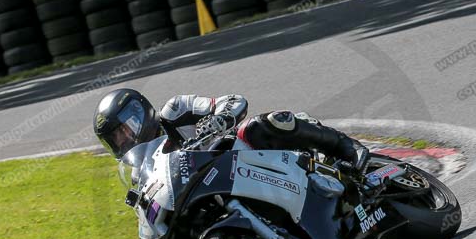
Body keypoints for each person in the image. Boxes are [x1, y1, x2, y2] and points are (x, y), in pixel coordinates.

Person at [93, 88, 368, 170]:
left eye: (124, 130)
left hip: (245, 156)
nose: (124, 140)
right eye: (115, 140)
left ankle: (346, 146)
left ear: (140, 113)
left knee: (261, 126)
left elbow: (234, 101)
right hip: (222, 186)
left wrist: (219, 120)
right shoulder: (144, 172)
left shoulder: (176, 111)